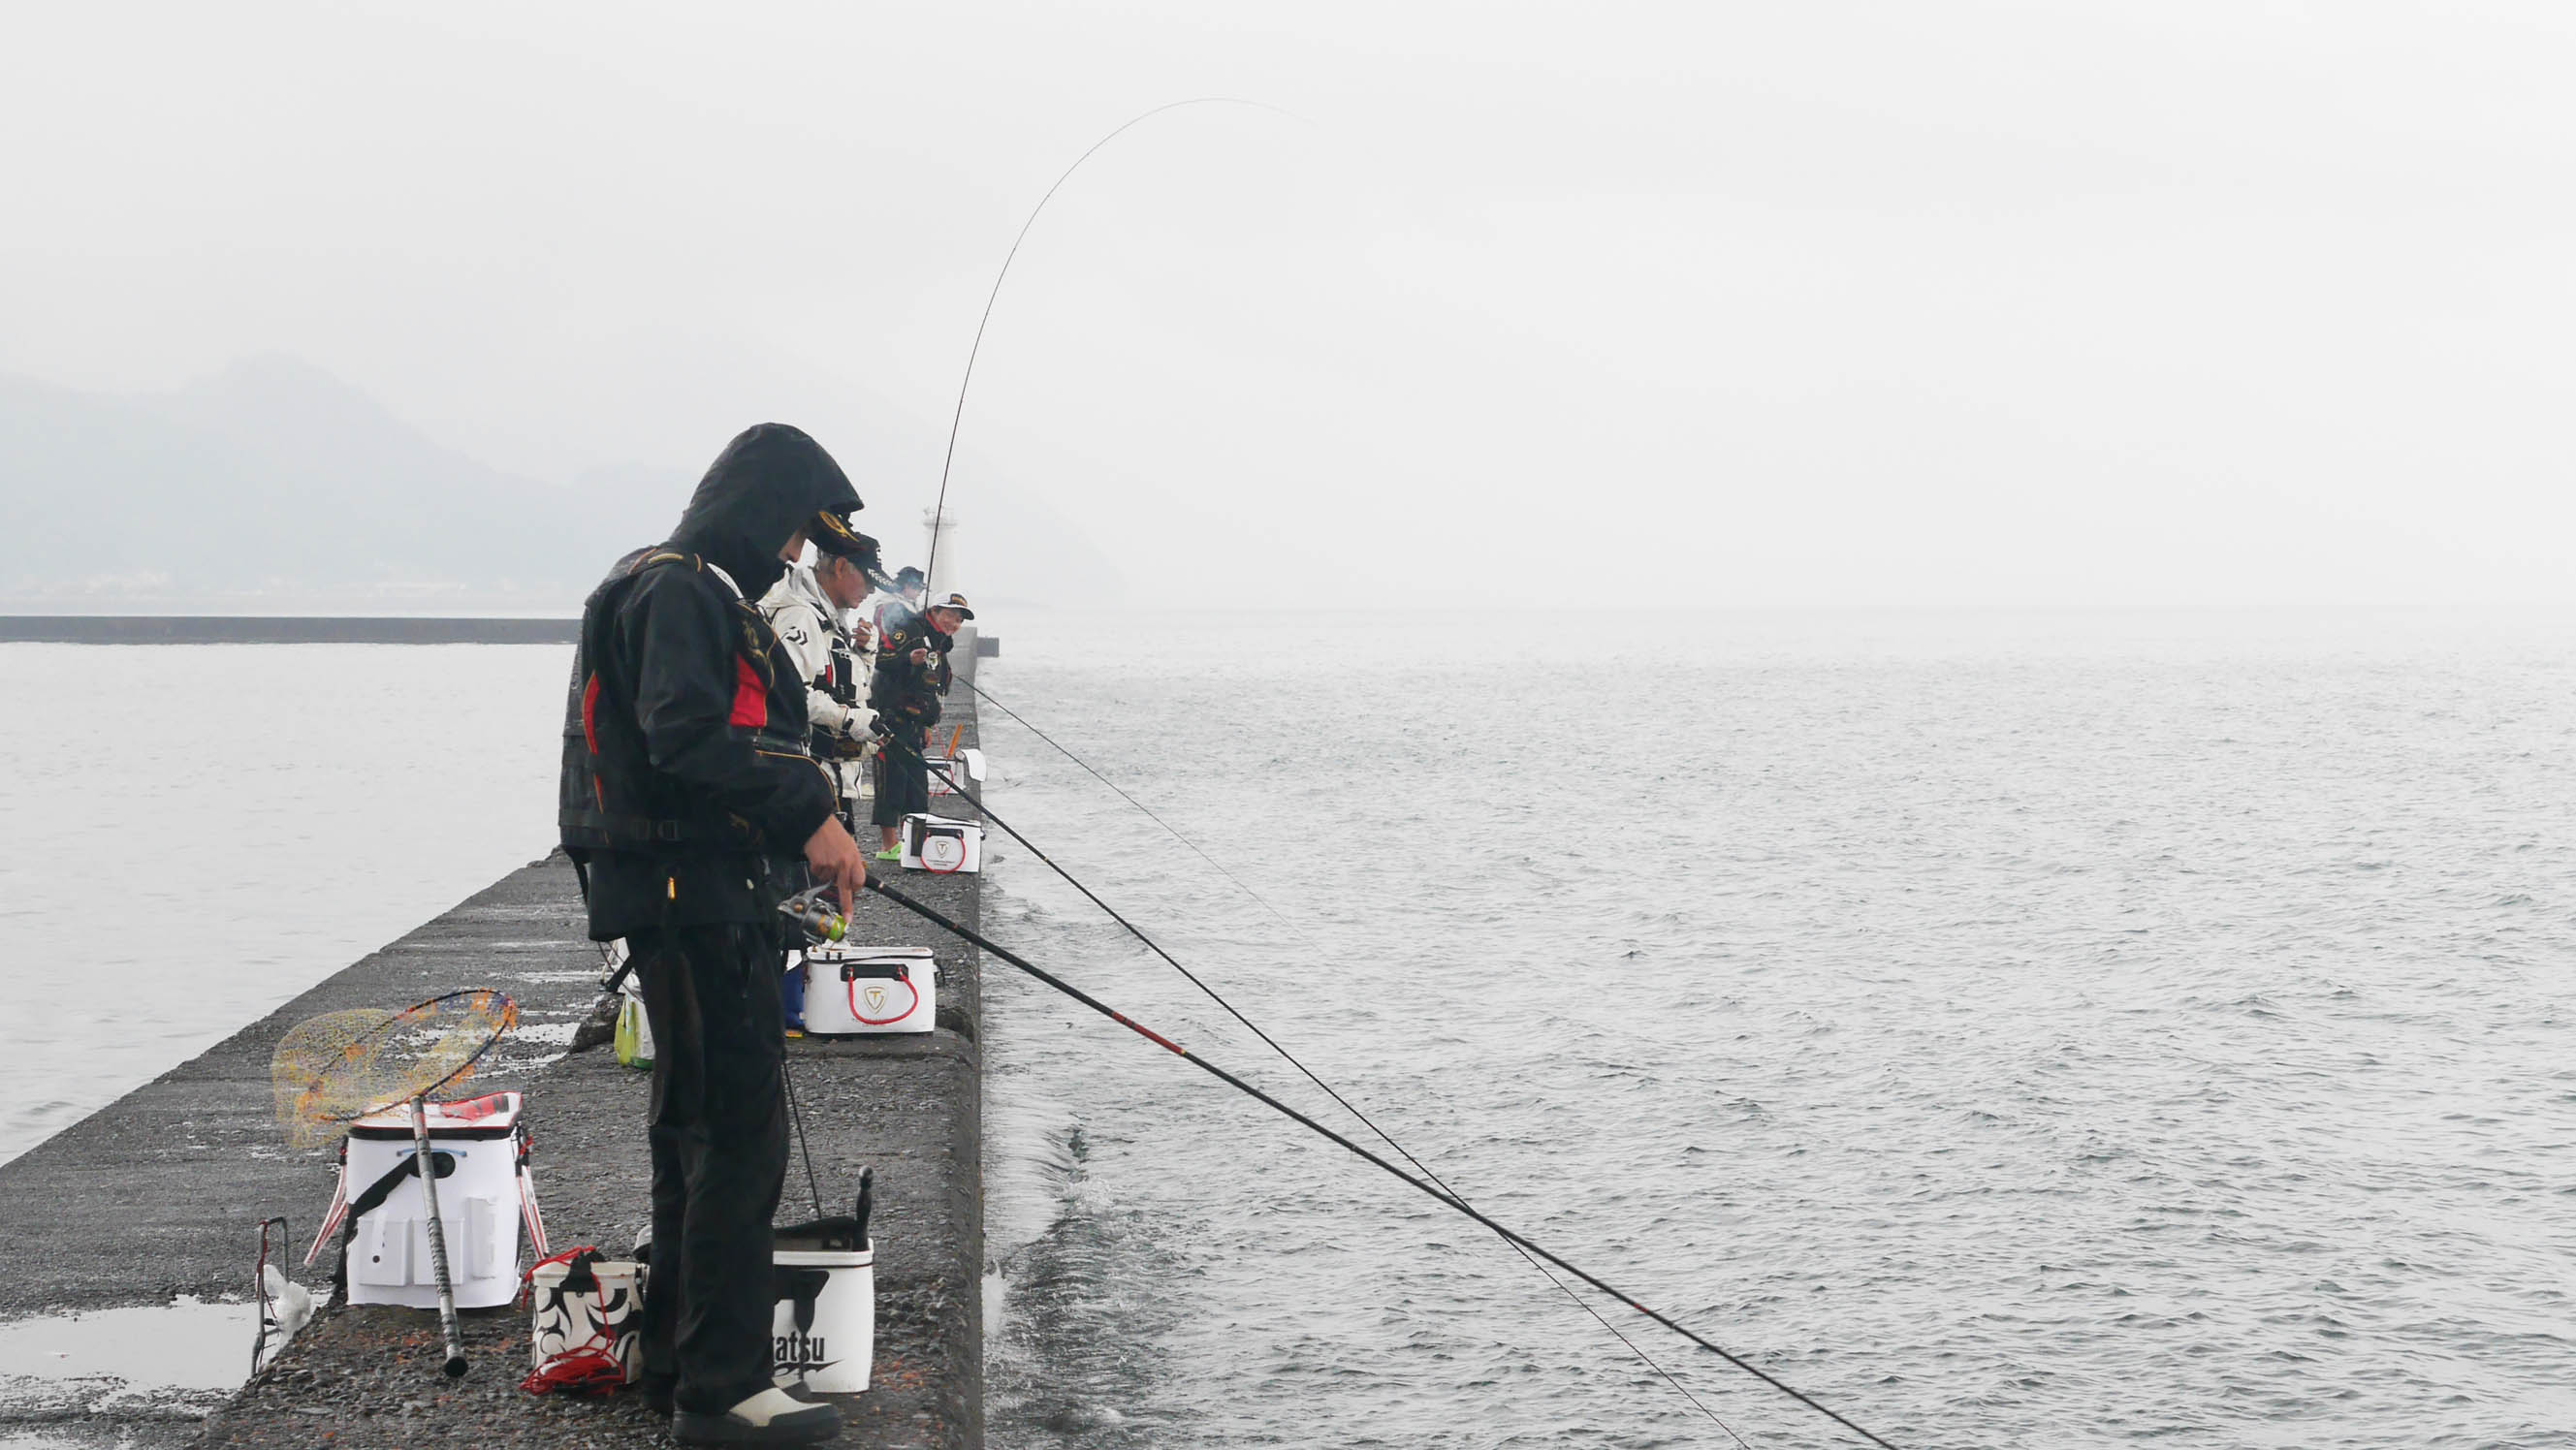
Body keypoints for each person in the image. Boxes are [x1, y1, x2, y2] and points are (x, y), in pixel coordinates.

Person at [557, 423, 868, 1447]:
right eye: (792, 529)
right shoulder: (682, 591)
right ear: (756, 508)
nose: (794, 551)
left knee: (692, 1131)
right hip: (694, 900)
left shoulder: (656, 580)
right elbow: (687, 736)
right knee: (737, 1138)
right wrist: (809, 813)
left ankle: (681, 1365)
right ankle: (723, 1391)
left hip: (685, 896)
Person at [758, 535, 882, 821]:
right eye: (867, 579)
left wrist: (865, 653)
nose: (871, 590)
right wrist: (850, 719)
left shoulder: (828, 616)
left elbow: (847, 687)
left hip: (827, 780)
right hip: (806, 779)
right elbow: (787, 694)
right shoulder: (799, 616)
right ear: (840, 567)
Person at [866, 590, 974, 861]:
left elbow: (932, 687)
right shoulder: (909, 630)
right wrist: (908, 659)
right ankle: (888, 846)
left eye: (959, 619)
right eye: (949, 615)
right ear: (934, 611)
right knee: (891, 781)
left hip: (916, 723)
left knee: (916, 786)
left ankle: (912, 844)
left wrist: (927, 726)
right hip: (891, 719)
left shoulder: (940, 642)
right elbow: (879, 661)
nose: (954, 623)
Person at [866, 565, 924, 636]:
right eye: (918, 588)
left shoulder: (913, 605)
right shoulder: (889, 604)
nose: (919, 593)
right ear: (907, 586)